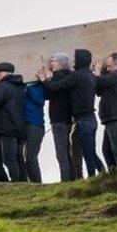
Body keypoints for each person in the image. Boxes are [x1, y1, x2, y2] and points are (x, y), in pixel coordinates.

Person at [41, 49, 104, 177]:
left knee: (87, 153)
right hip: (91, 118)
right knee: (91, 152)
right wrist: (97, 73)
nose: (74, 62)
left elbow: (55, 87)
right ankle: (104, 174)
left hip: (83, 120)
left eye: (75, 59)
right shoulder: (90, 75)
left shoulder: (77, 76)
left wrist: (45, 80)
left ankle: (93, 180)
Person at [0, 63, 28, 182]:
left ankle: (16, 182)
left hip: (7, 127)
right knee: (19, 157)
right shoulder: (19, 86)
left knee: (9, 159)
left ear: (3, 73)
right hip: (19, 126)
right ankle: (24, 182)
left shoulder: (3, 85)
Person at [39, 53, 75, 182]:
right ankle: (71, 177)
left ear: (61, 63)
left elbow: (51, 91)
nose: (51, 63)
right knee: (66, 149)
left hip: (59, 118)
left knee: (61, 151)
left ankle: (65, 179)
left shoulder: (60, 76)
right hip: (65, 117)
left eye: (54, 61)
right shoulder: (69, 76)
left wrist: (45, 80)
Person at [24, 79, 46, 183]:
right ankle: (30, 182)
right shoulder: (23, 87)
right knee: (26, 156)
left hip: (35, 126)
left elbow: (39, 100)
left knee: (31, 156)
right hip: (26, 125)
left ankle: (36, 183)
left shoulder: (38, 86)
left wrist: (28, 87)